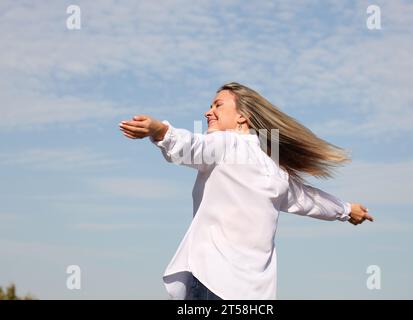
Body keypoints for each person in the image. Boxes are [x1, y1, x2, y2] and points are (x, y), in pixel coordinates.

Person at [118, 82, 374, 300]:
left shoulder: (225, 144)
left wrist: (161, 131)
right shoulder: (273, 169)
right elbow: (308, 199)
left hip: (213, 282)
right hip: (253, 293)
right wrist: (346, 209)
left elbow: (190, 146)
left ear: (242, 116)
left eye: (218, 105)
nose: (208, 112)